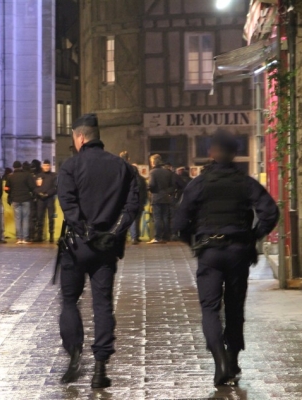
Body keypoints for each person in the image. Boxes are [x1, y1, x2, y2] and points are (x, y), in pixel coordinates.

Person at [173, 131, 279, 387]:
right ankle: (232, 359)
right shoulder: (245, 182)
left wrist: (194, 242)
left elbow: (178, 222)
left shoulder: (198, 183)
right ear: (234, 154)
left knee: (209, 309)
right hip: (238, 251)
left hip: (210, 252)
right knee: (234, 308)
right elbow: (270, 212)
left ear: (211, 153)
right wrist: (254, 236)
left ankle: (219, 359)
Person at [57, 113, 140, 388]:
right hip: (107, 247)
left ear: (80, 137)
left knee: (70, 300)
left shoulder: (70, 166)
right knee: (102, 303)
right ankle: (100, 368)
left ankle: (74, 355)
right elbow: (133, 206)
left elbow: (69, 206)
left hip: (77, 246)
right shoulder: (123, 167)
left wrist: (85, 231)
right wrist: (114, 232)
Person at [147, 155, 184, 244]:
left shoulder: (153, 172)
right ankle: (166, 236)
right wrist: (167, 192)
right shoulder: (167, 172)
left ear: (153, 162)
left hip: (156, 197)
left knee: (157, 218)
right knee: (165, 218)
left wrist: (150, 189)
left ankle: (157, 237)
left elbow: (151, 185)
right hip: (166, 197)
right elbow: (173, 186)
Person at [119, 151, 147, 245]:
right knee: (136, 219)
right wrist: (143, 201)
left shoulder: (123, 173)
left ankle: (130, 237)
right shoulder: (141, 179)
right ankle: (135, 236)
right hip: (138, 201)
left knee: (126, 219)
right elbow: (144, 192)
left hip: (128, 200)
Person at [5, 161, 36, 244]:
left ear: (13, 167)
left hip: (15, 199)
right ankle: (25, 238)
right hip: (26, 199)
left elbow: (6, 189)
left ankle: (19, 238)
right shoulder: (27, 175)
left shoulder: (10, 177)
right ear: (21, 166)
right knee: (25, 219)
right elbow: (33, 187)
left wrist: (11, 193)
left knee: (17, 219)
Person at [35, 159, 57, 243]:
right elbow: (35, 187)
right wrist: (39, 193)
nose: (46, 167)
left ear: (50, 166)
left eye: (48, 165)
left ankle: (51, 235)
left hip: (50, 199)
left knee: (51, 217)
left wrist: (48, 194)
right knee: (40, 217)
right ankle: (39, 235)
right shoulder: (39, 175)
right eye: (45, 165)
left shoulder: (53, 176)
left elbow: (55, 187)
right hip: (41, 199)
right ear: (42, 166)